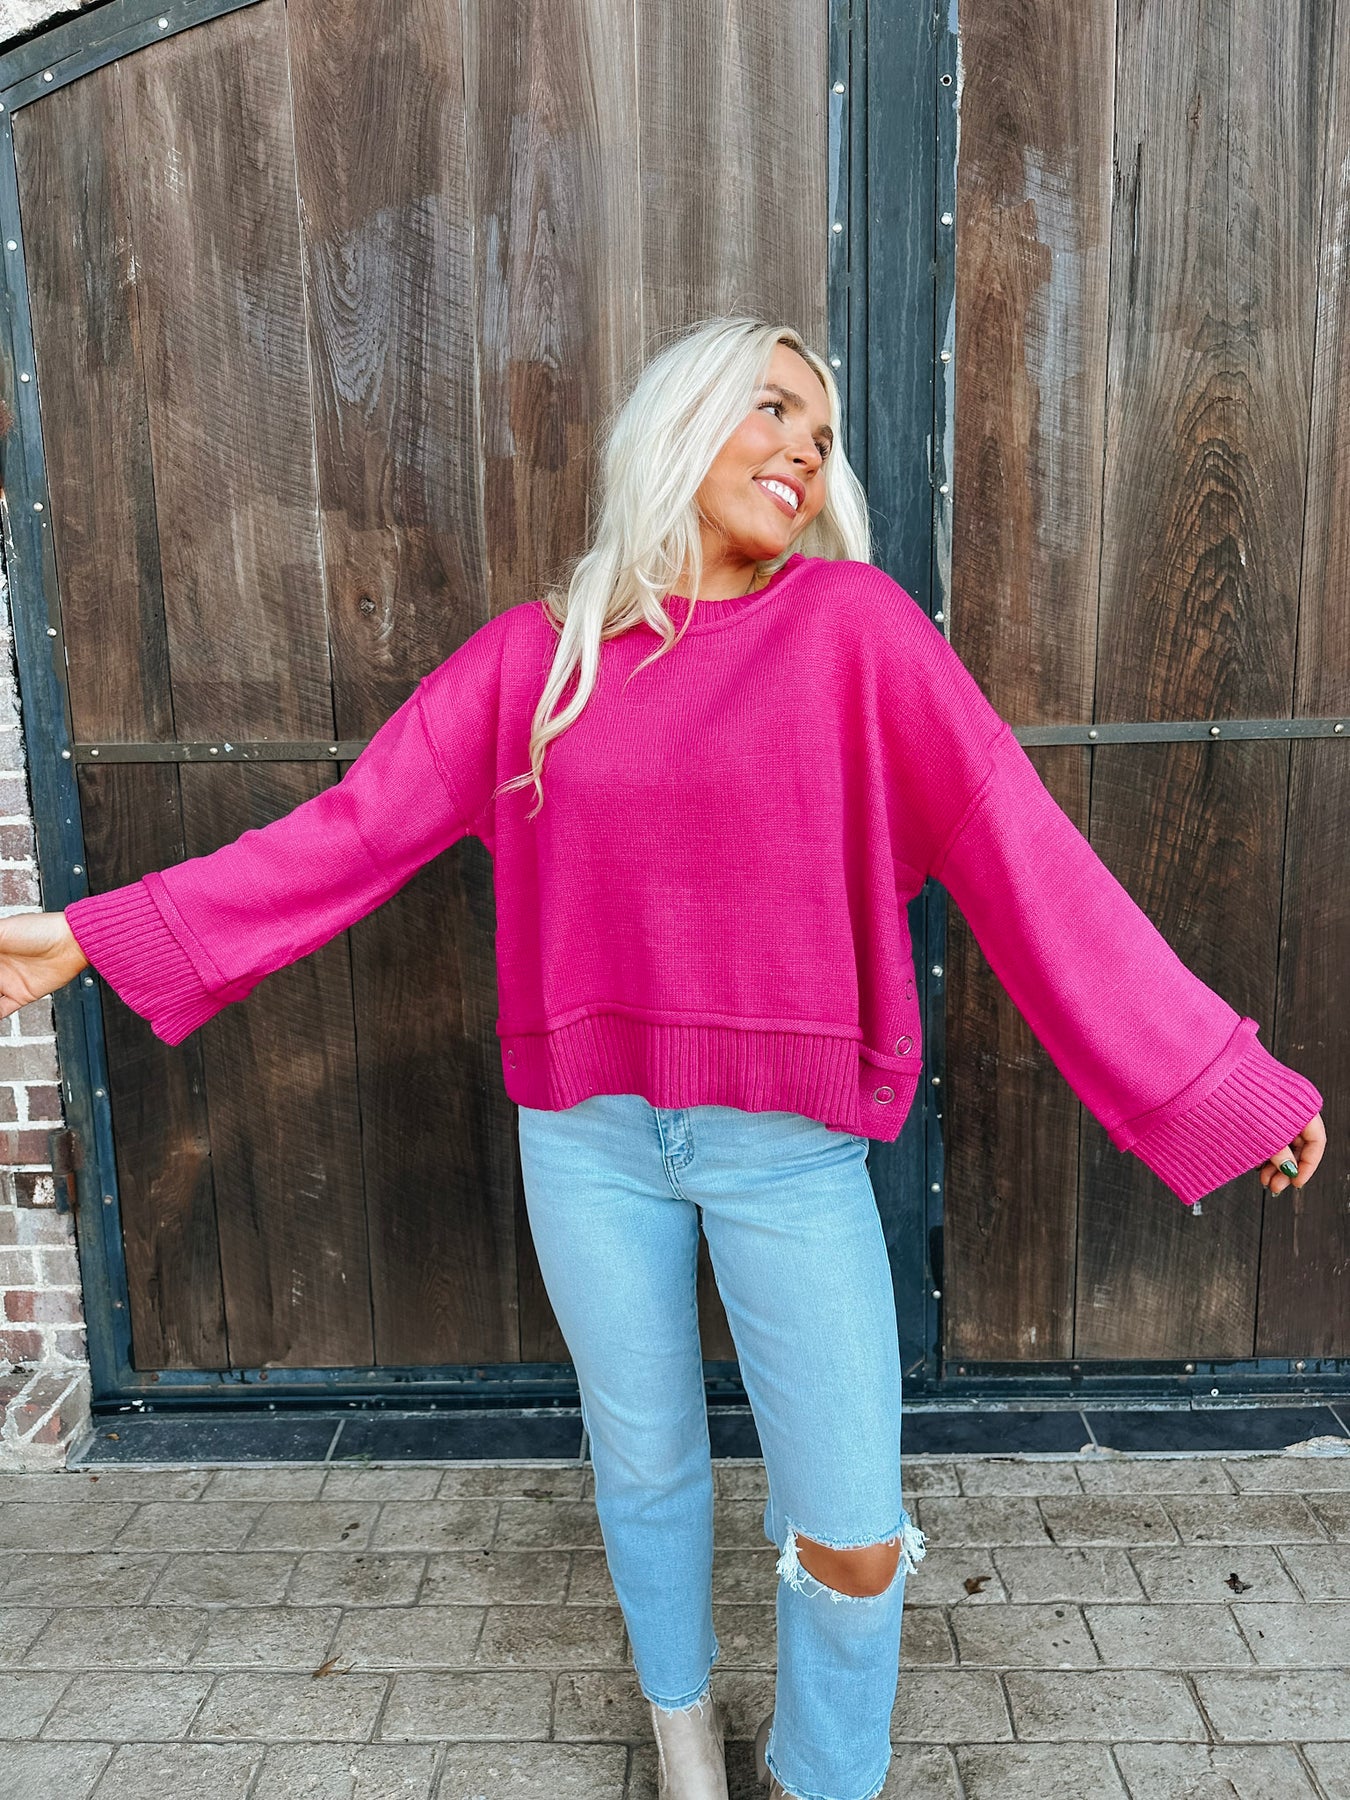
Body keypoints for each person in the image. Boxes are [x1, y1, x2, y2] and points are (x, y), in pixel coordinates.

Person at [0, 316, 1326, 1800]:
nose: (803, 448)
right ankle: (683, 1735)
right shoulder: (541, 655)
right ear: (681, 424)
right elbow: (351, 833)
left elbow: (1025, 856)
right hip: (588, 1140)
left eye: (820, 433)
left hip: (789, 1150)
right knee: (644, 1466)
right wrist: (91, 937)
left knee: (853, 1527)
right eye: (771, 408)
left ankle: (821, 1777)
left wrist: (1217, 1082)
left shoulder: (856, 631)